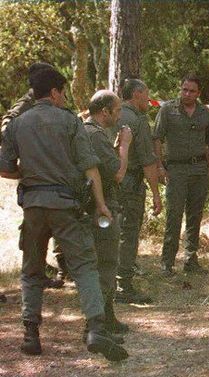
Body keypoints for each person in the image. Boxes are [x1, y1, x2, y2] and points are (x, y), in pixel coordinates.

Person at [0, 68, 127, 360]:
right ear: (55, 92)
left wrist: (30, 174)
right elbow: (89, 166)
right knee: (84, 265)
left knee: (31, 271)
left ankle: (30, 334)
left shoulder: (18, 124)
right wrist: (101, 204)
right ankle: (96, 328)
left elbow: (5, 167)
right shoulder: (70, 122)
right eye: (63, 92)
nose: (64, 97)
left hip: (32, 206)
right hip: (65, 204)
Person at [1, 62, 68, 288]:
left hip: (47, 168)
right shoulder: (27, 101)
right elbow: (7, 126)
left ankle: (44, 267)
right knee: (33, 223)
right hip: (34, 169)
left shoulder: (46, 98)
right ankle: (33, 269)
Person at [153, 75, 209, 276]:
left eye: (192, 91)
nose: (187, 94)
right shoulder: (168, 110)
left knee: (195, 215)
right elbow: (156, 138)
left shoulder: (204, 113)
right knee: (174, 215)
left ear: (198, 93)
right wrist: (159, 166)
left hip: (199, 169)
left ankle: (191, 260)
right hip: (176, 170)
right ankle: (167, 262)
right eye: (184, 89)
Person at [84, 90, 132, 333]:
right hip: (101, 208)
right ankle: (101, 321)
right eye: (118, 110)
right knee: (106, 263)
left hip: (87, 207)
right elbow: (117, 174)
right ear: (105, 112)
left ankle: (104, 317)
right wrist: (124, 146)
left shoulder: (85, 132)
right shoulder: (95, 135)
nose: (120, 114)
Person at [115, 78, 162, 304]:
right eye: (146, 94)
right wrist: (155, 193)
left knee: (108, 233)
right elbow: (147, 161)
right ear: (136, 94)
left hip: (106, 183)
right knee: (128, 233)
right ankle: (123, 285)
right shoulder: (138, 120)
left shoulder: (107, 114)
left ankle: (105, 281)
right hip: (130, 184)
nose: (149, 99)